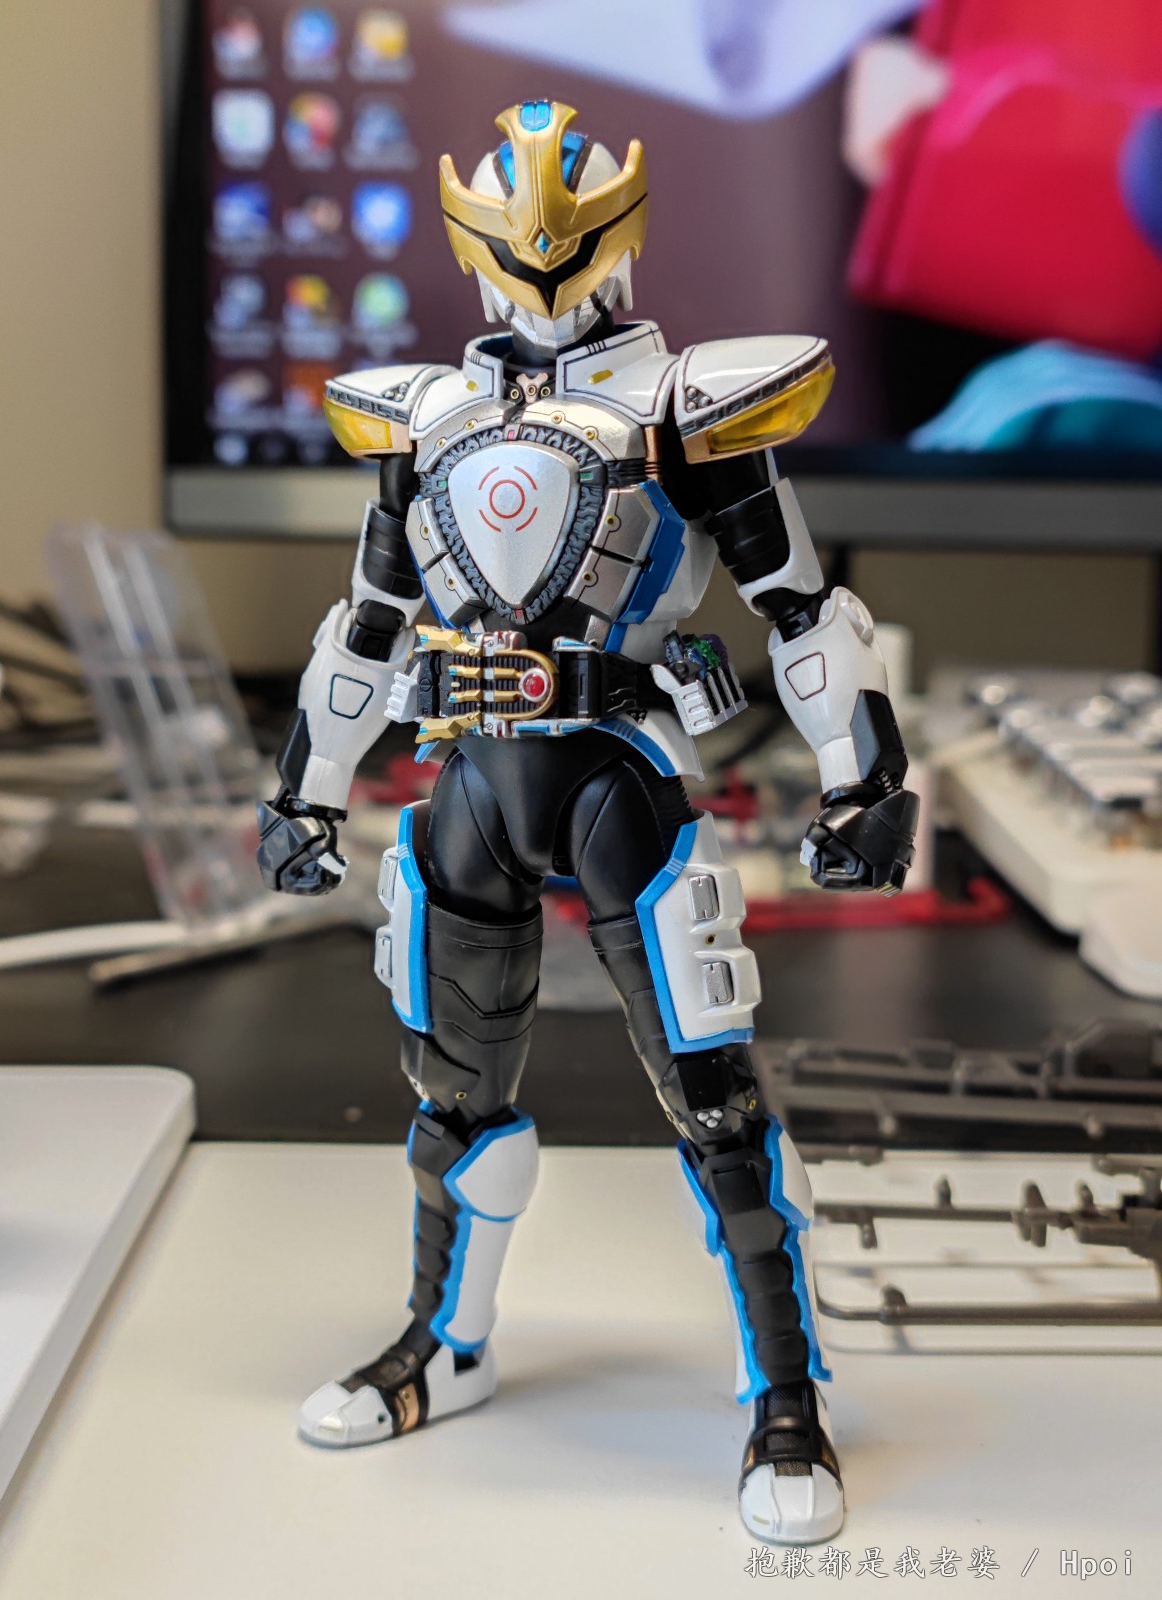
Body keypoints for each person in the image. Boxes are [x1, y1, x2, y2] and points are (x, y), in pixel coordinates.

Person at [257, 101, 918, 1545]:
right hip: (471, 787)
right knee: (454, 1098)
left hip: (618, 776)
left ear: (619, 238)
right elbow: (366, 626)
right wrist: (304, 789)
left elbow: (801, 609)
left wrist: (866, 777)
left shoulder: (685, 407)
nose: (547, 266)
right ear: (473, 245)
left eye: (573, 239)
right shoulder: (424, 421)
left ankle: (786, 1396)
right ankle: (445, 1345)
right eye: (518, 242)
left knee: (715, 1102)